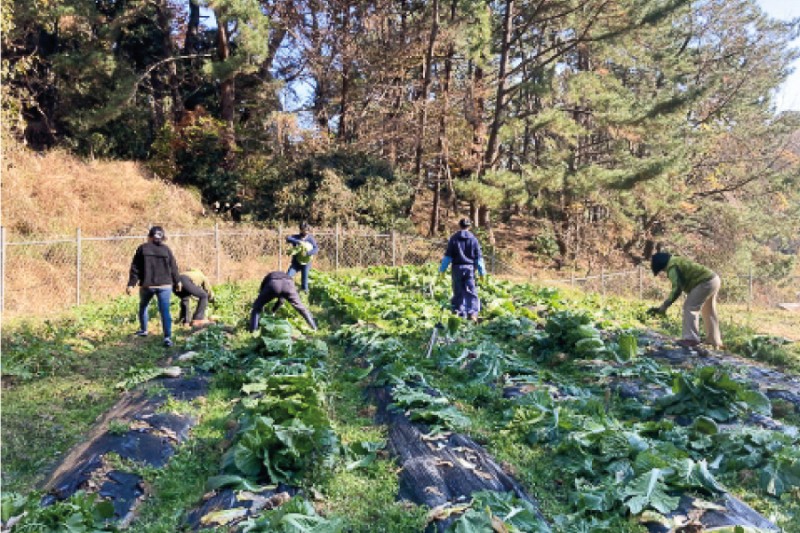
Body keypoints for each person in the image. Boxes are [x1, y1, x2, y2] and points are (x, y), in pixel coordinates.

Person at [648, 252, 723, 349]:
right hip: (714, 279)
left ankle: (691, 338)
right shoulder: (676, 260)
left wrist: (664, 306)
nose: (664, 271)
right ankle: (714, 341)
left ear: (661, 265)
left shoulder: (672, 267)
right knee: (708, 311)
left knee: (690, 307)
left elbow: (677, 289)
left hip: (705, 282)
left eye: (662, 270)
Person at [127, 226, 180, 347]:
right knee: (165, 311)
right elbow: (173, 266)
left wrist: (131, 284)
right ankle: (167, 337)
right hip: (165, 285)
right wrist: (177, 281)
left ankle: (144, 330)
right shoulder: (166, 249)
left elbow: (135, 268)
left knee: (143, 306)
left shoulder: (143, 248)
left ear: (149, 237)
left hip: (147, 284)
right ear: (162, 237)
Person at [438, 218, 486, 321]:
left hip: (457, 268)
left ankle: (459, 312)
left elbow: (448, 257)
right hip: (470, 268)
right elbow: (478, 258)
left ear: (459, 225)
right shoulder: (473, 239)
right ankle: (472, 313)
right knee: (471, 290)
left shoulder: (454, 238)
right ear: (469, 226)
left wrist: (442, 270)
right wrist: (482, 272)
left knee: (458, 290)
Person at [248, 271, 318, 332]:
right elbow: (281, 300)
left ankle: (253, 330)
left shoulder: (267, 278)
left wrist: (260, 305)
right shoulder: (283, 276)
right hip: (289, 284)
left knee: (256, 307)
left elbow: (261, 296)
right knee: (301, 308)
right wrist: (273, 311)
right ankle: (314, 327)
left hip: (273, 284)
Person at [286, 222, 318, 292]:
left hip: (306, 263)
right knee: (288, 276)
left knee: (304, 282)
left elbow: (316, 249)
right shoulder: (296, 237)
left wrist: (307, 253)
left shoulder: (310, 239)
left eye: (307, 230)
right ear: (300, 230)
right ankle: (288, 291)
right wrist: (298, 242)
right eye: (304, 230)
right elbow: (288, 238)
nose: (306, 231)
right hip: (296, 263)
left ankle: (305, 293)